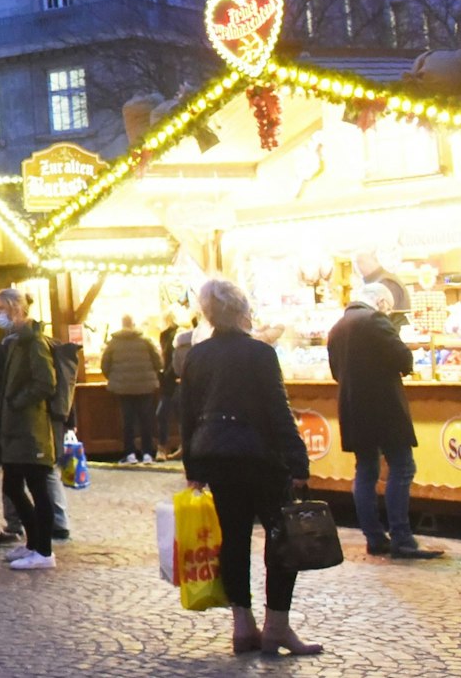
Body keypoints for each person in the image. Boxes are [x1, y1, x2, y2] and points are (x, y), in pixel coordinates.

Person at [180, 278, 321, 657]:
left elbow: (187, 414)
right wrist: (298, 460)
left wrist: (192, 465)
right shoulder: (259, 353)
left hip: (216, 458)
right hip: (261, 457)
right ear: (242, 310)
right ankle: (277, 626)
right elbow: (278, 411)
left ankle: (242, 625)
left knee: (234, 538)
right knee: (281, 538)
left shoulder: (197, 355)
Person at [328, 285, 444, 559]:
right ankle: (402, 538)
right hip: (385, 409)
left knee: (366, 472)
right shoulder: (375, 320)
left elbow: (335, 372)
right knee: (402, 467)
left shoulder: (337, 327)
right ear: (381, 302)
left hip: (353, 410)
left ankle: (375, 538)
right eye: (388, 308)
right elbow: (403, 358)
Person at [0, 291, 58, 571]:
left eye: (1, 308)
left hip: (30, 429)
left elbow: (46, 382)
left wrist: (17, 402)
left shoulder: (34, 342)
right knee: (13, 487)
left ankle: (44, 551)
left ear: (16, 309)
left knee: (37, 489)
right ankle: (33, 543)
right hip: (16, 429)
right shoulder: (17, 342)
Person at [101, 315, 162, 463]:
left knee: (127, 422)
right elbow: (158, 362)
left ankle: (130, 454)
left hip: (122, 388)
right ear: (134, 324)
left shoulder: (113, 343)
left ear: (122, 324)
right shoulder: (146, 341)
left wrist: (114, 378)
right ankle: (147, 453)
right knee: (146, 420)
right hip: (145, 387)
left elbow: (104, 365)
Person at [156, 311, 183, 458]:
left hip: (172, 381)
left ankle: (164, 447)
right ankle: (168, 446)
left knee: (165, 414)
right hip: (170, 381)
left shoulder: (174, 336)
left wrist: (165, 374)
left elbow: (172, 359)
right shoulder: (167, 335)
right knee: (169, 414)